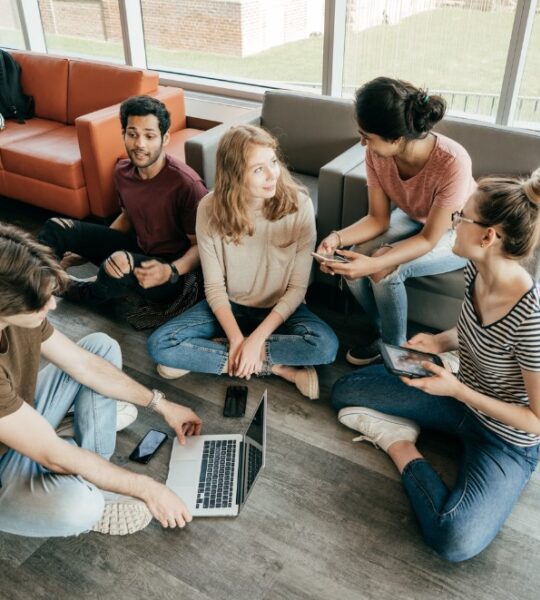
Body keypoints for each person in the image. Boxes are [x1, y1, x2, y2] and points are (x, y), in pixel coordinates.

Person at [331, 171, 540, 562]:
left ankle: (400, 444)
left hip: (505, 440)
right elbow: (473, 326)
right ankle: (414, 422)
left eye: (462, 217)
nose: (453, 222)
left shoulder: (535, 320)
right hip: (458, 398)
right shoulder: (477, 269)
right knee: (345, 391)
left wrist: (456, 390)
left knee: (453, 539)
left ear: (488, 236)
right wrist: (440, 341)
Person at [0, 224, 203, 537]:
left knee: (100, 347)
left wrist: (162, 405)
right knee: (81, 508)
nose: (53, 305)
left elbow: (84, 365)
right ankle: (90, 482)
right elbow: (51, 456)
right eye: (42, 303)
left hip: (16, 416)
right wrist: (147, 487)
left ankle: (89, 463)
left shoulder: (19, 317)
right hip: (6, 469)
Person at [147, 125, 339, 400]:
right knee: (159, 345)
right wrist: (238, 340)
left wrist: (257, 339)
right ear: (235, 174)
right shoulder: (209, 209)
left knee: (325, 347)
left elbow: (297, 289)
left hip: (280, 308)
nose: (273, 174)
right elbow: (214, 287)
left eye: (273, 161)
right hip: (230, 305)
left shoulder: (300, 205)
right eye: (258, 168)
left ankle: (215, 355)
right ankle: (277, 368)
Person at [317, 77, 475, 365]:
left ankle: (397, 352)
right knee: (352, 258)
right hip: (414, 216)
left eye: (367, 135)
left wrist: (376, 263)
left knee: (383, 269)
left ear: (398, 139)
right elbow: (377, 219)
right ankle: (382, 331)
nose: (362, 141)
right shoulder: (375, 154)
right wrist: (337, 238)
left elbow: (429, 238)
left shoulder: (452, 162)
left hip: (458, 230)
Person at [37, 95, 208, 315]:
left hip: (170, 272)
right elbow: (128, 217)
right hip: (137, 248)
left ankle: (71, 288)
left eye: (149, 136)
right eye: (132, 134)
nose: (139, 144)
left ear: (165, 139)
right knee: (56, 227)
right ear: (123, 135)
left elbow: (201, 246)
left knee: (117, 263)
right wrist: (87, 251)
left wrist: (170, 271)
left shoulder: (187, 184)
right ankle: (36, 284)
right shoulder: (122, 171)